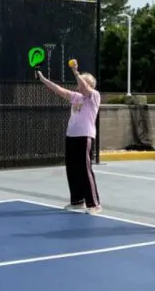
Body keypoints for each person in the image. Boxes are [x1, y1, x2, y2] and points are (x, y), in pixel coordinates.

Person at [37, 61, 102, 214]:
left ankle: (94, 204)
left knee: (85, 170)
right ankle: (77, 201)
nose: (79, 83)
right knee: (72, 170)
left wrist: (75, 71)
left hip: (84, 136)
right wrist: (43, 79)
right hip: (71, 136)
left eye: (82, 81)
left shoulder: (94, 96)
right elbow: (59, 90)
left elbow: (85, 88)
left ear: (89, 84)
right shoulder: (76, 97)